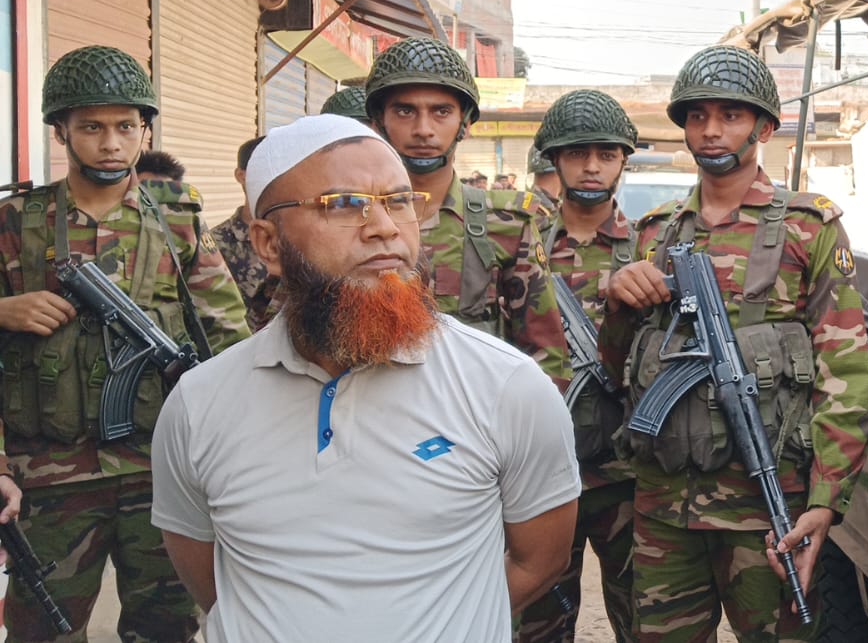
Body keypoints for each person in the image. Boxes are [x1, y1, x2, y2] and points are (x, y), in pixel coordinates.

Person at [150, 114, 581, 642]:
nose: (384, 228)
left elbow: (540, 561)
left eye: (399, 201)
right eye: (344, 205)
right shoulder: (199, 404)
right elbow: (213, 580)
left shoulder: (507, 386)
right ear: (267, 243)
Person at [605, 46, 868, 641]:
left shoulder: (809, 228)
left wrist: (825, 503)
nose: (711, 129)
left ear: (765, 128)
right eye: (697, 116)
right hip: (665, 505)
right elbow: (617, 364)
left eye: (730, 114)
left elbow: (846, 374)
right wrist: (619, 301)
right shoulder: (656, 233)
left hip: (766, 506)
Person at [0, 46, 250, 642]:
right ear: (61, 131)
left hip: (161, 473)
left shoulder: (179, 223)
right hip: (48, 479)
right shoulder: (14, 224)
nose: (110, 143)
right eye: (91, 127)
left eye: (125, 127)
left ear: (144, 132)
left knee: (167, 629)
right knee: (43, 633)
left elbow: (229, 343)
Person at [516, 90, 640, 643]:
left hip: (626, 475)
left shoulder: (652, 247)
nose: (592, 166)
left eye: (607, 154)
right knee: (539, 623)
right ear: (554, 160)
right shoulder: (521, 247)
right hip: (539, 477)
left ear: (622, 162)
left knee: (642, 621)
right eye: (577, 153)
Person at [362, 37, 564, 373]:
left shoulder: (507, 224)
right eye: (405, 111)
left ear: (465, 124)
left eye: (441, 112)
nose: (423, 129)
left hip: (475, 415)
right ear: (378, 122)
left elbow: (546, 357)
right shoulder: (347, 218)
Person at [212, 135, 279, 331]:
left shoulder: (299, 237)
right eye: (264, 168)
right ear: (241, 175)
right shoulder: (215, 244)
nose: (272, 176)